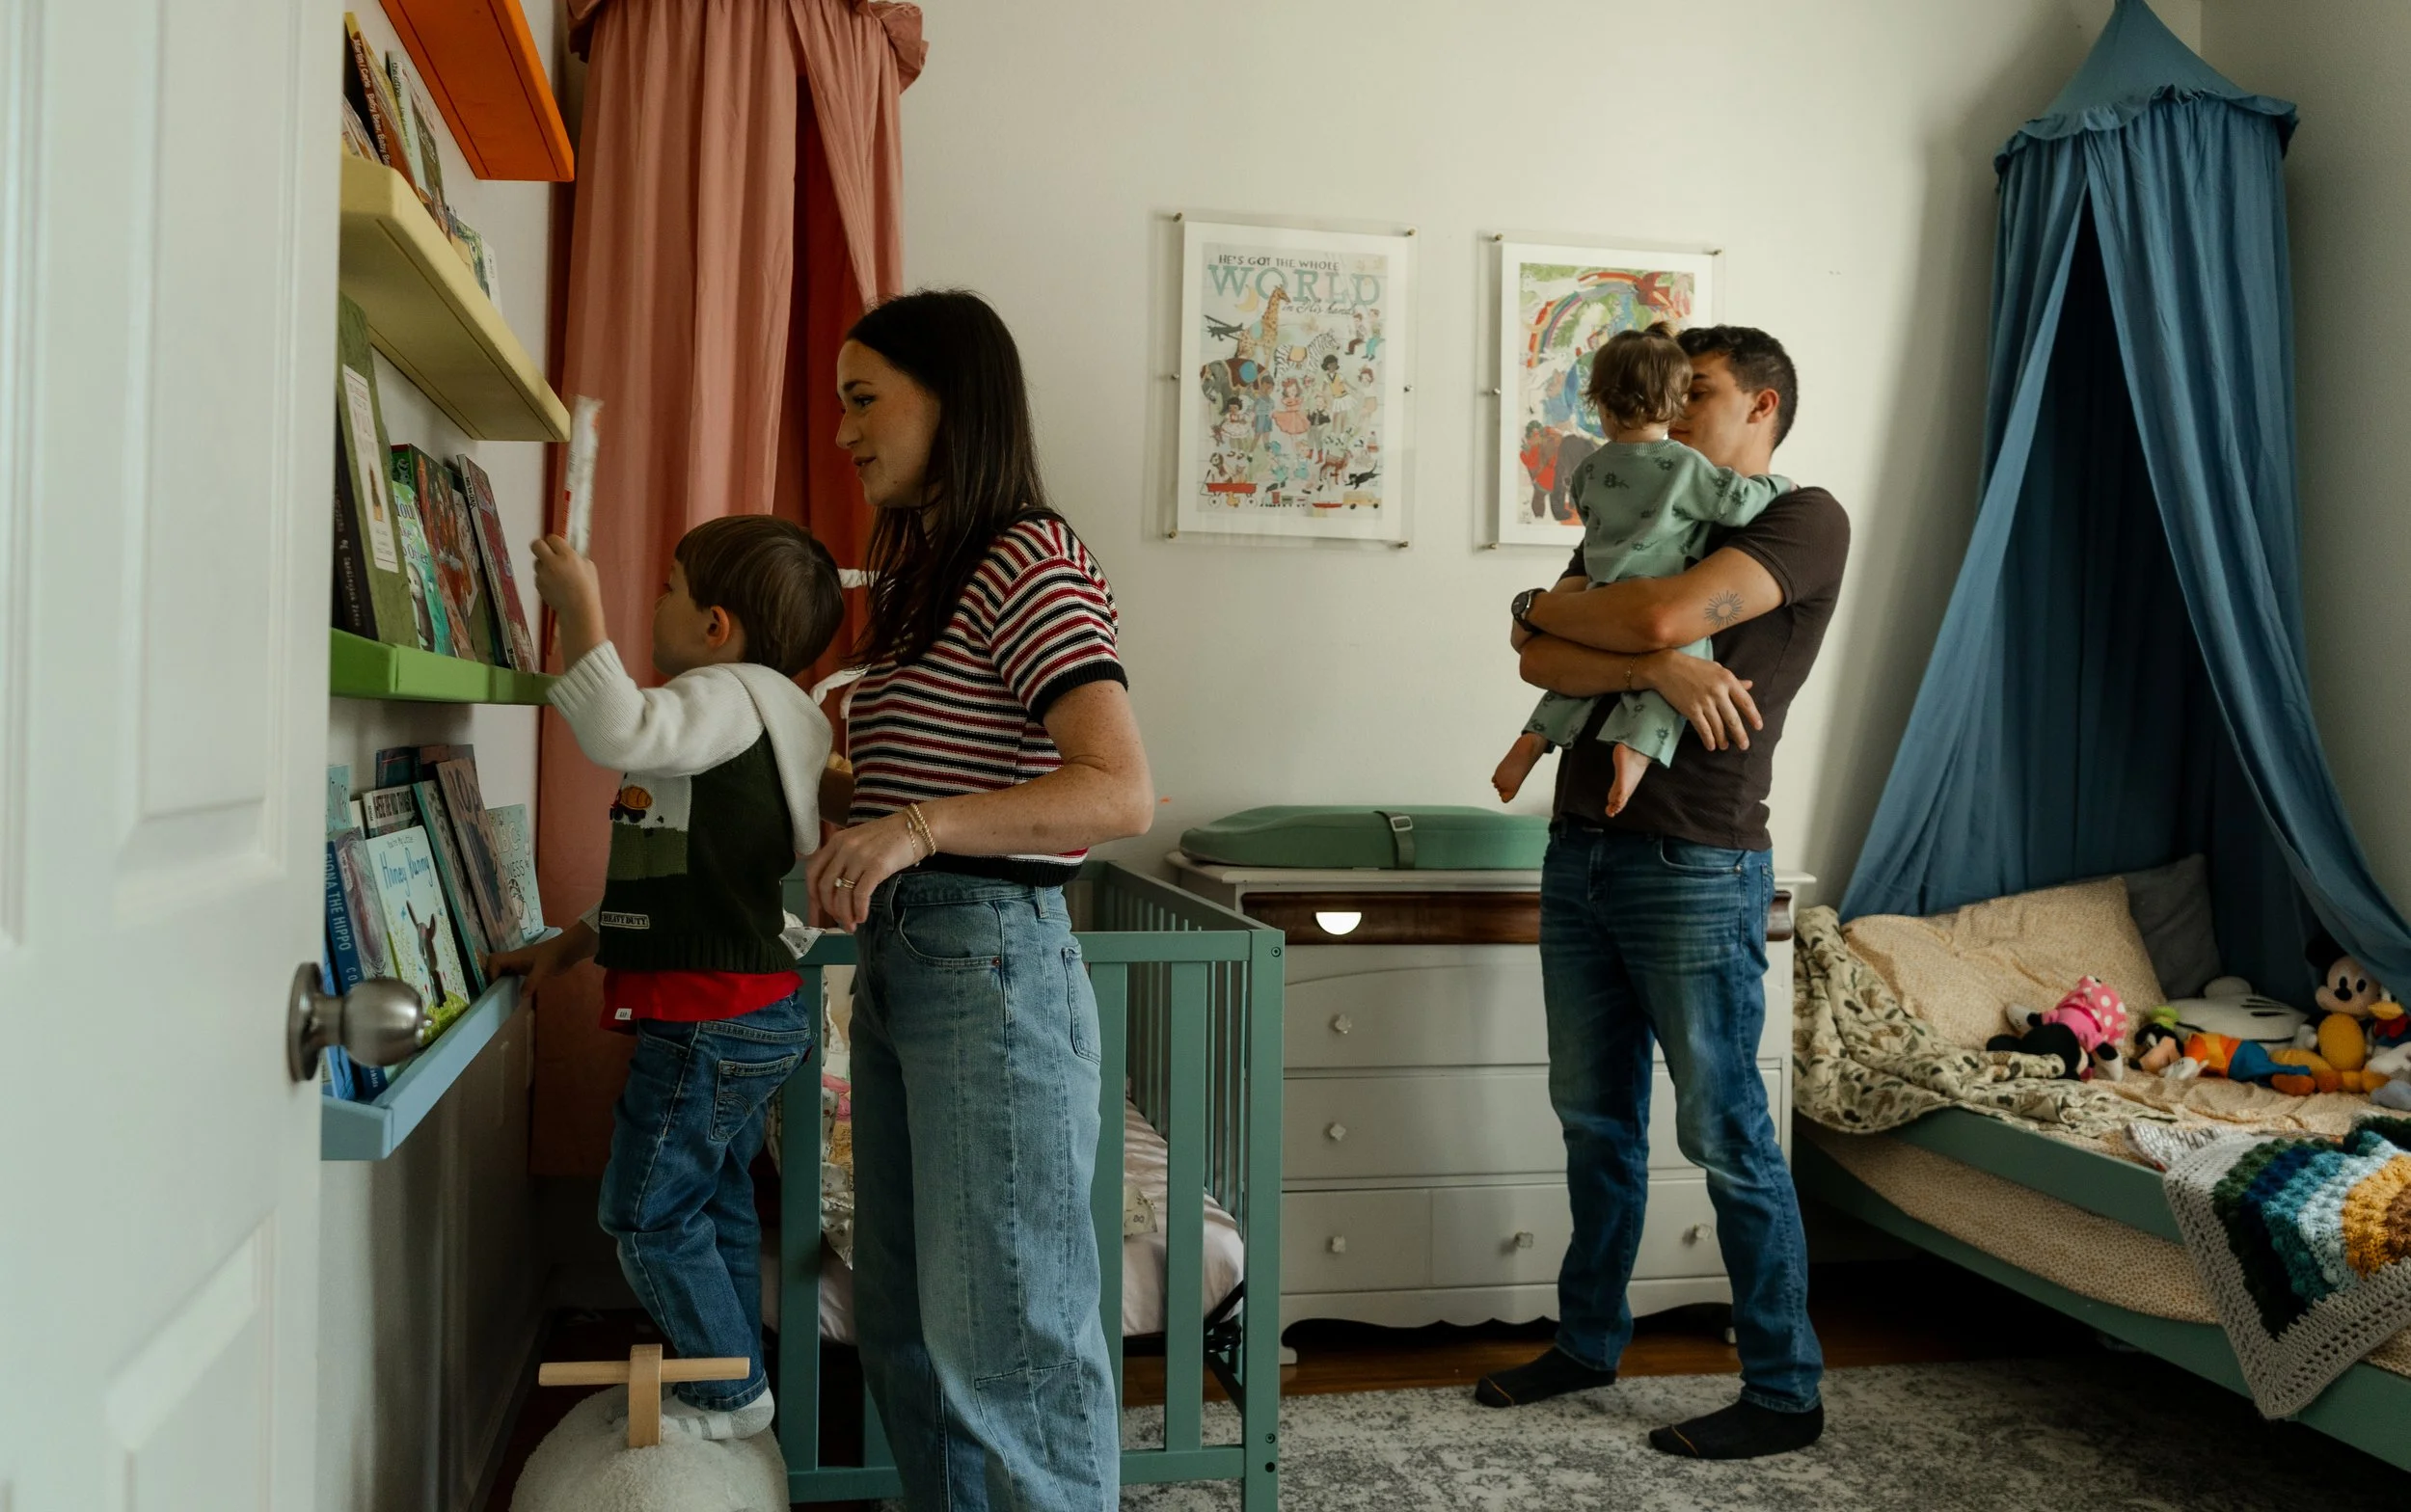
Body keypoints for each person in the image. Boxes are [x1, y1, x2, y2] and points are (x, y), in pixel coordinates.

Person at [806, 288, 1154, 1509]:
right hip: (918, 961)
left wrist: (913, 827)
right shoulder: (923, 579)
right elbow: (946, 775)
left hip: (990, 963)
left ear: (953, 401)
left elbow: (1116, 791)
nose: (843, 428)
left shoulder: (1028, 554)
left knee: (1007, 1339)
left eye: (864, 397)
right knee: (912, 1331)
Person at [1478, 325, 1850, 1462]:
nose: (1673, 411)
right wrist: (1650, 661)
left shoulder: (1799, 516)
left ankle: (1785, 1389)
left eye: (1701, 393)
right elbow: (1539, 653)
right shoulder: (1640, 507)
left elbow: (1617, 614)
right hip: (1580, 847)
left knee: (1727, 1129)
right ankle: (1590, 1338)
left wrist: (1614, 627)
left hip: (1695, 859)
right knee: (1593, 1121)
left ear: (1763, 408)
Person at [494, 513, 846, 1441]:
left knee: (644, 1213)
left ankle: (727, 1396)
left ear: (716, 626)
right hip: (745, 1012)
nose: (657, 602)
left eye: (669, 588)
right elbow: (675, 877)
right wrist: (571, 944)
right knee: (713, 1201)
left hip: (709, 1017)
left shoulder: (724, 696)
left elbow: (621, 730)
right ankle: (737, 1384)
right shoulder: (761, 713)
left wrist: (582, 613)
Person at [1491, 322, 1791, 814]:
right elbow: (1734, 505)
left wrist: (1540, 610)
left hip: (1602, 591)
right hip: (1656, 588)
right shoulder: (1685, 468)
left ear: (1602, 407)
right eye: (1686, 395)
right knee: (1683, 666)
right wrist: (1778, 486)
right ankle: (1635, 751)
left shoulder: (1589, 469)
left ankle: (1532, 740)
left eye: (1703, 393)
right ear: (1671, 405)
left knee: (1576, 674)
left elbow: (1586, 532)